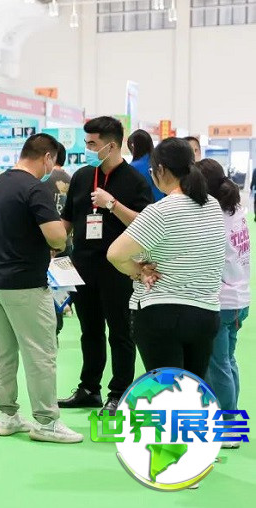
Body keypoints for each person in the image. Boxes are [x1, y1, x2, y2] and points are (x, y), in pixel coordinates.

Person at [0, 133, 82, 444]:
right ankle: (47, 421)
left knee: (1, 353)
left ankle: (7, 415)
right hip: (25, 283)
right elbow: (57, 237)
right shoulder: (35, 188)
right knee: (40, 353)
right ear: (48, 157)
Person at [58, 116, 153, 416]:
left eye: (92, 144)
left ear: (111, 146)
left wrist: (112, 204)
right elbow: (67, 219)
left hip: (118, 267)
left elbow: (145, 223)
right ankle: (89, 388)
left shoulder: (135, 181)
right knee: (90, 330)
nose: (87, 149)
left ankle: (119, 392)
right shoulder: (82, 176)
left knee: (120, 332)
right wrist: (52, 246)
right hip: (83, 264)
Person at [107, 139, 225, 379]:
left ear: (160, 170)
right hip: (206, 314)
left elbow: (115, 254)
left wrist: (138, 271)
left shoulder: (160, 211)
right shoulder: (212, 205)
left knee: (166, 392)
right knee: (194, 390)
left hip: (162, 314)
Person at [196, 159, 249, 445]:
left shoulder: (213, 215)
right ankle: (233, 421)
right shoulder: (236, 208)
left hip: (222, 301)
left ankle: (229, 426)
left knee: (218, 366)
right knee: (227, 361)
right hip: (240, 299)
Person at [44, 142, 72, 336]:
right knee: (61, 287)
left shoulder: (43, 180)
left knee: (46, 288)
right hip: (67, 241)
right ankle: (60, 318)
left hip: (47, 242)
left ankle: (52, 326)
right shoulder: (71, 179)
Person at [127, 129, 165, 201]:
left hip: (144, 205)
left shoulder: (132, 168)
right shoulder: (159, 163)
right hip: (163, 203)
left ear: (133, 146)